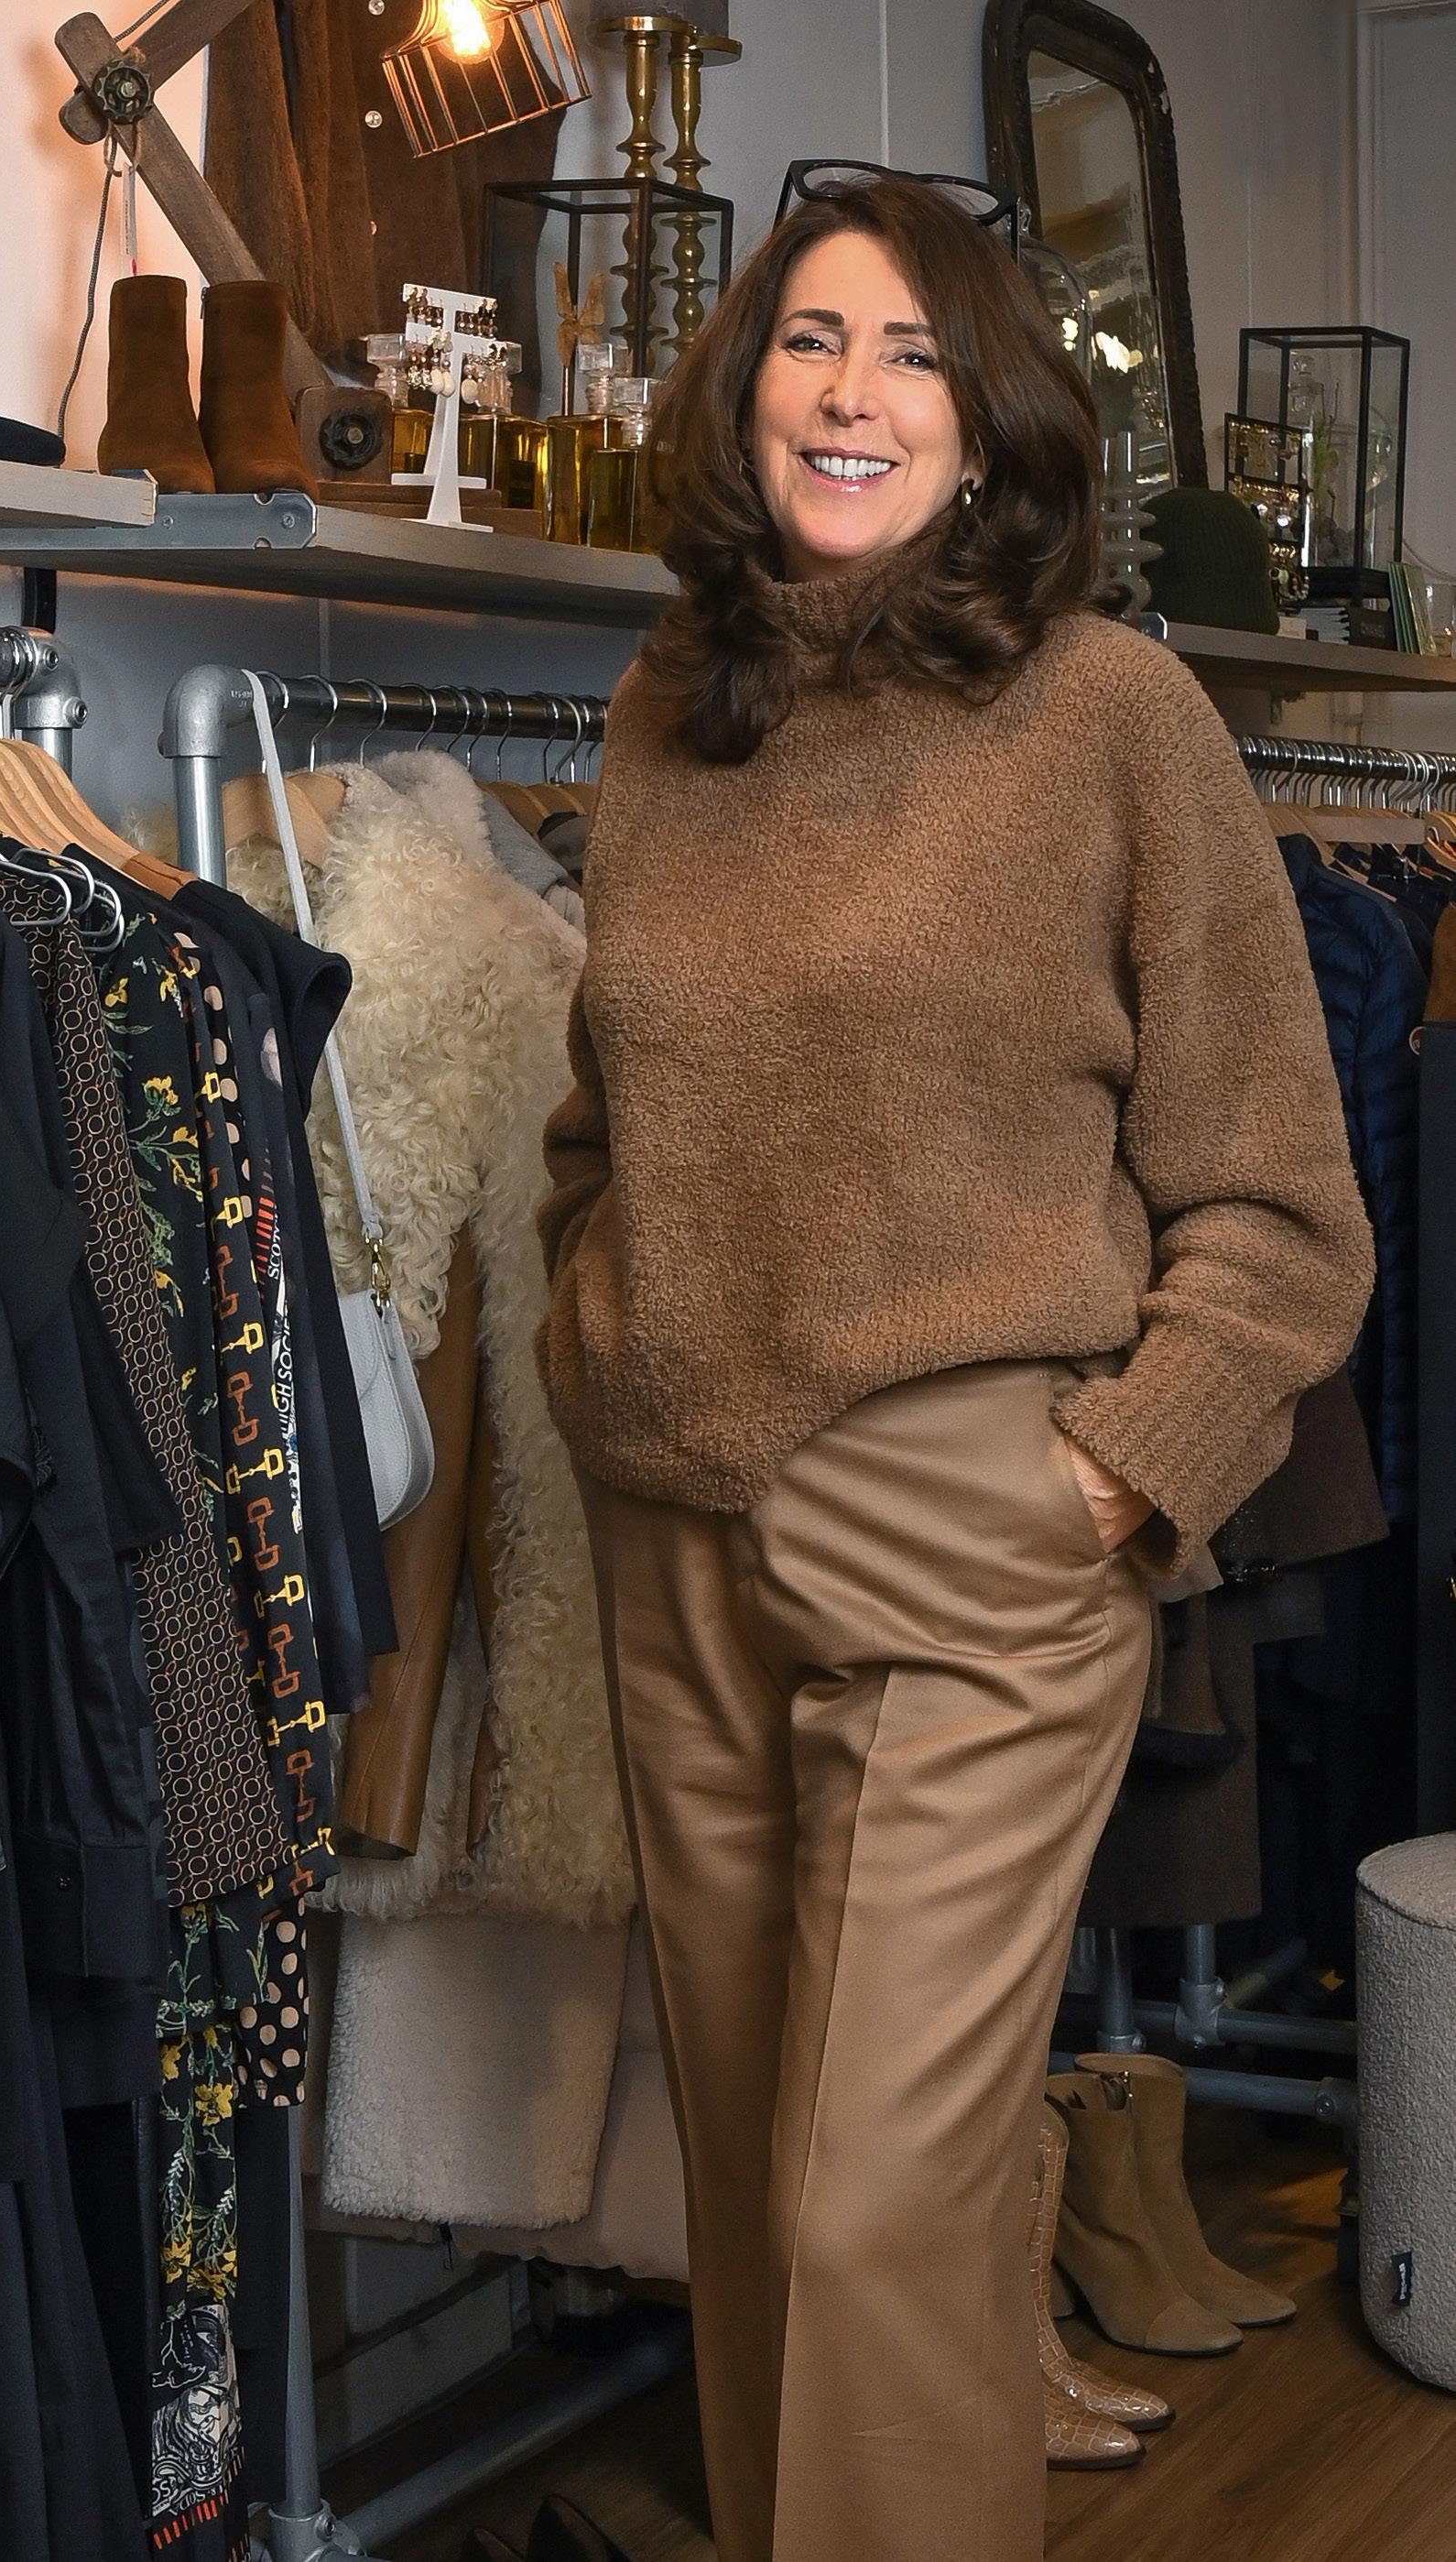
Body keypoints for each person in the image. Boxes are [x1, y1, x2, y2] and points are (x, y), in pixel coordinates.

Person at [536, 171, 1373, 2562]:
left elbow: (1284, 1201)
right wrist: (597, 1332)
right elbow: (604, 1117)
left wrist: (1113, 1476)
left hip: (980, 1527)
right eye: (812, 339)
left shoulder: (1112, 717)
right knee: (752, 2191)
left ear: (995, 420)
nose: (853, 393)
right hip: (678, 1526)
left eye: (914, 353)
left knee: (874, 2211)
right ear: (743, 390)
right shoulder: (670, 705)